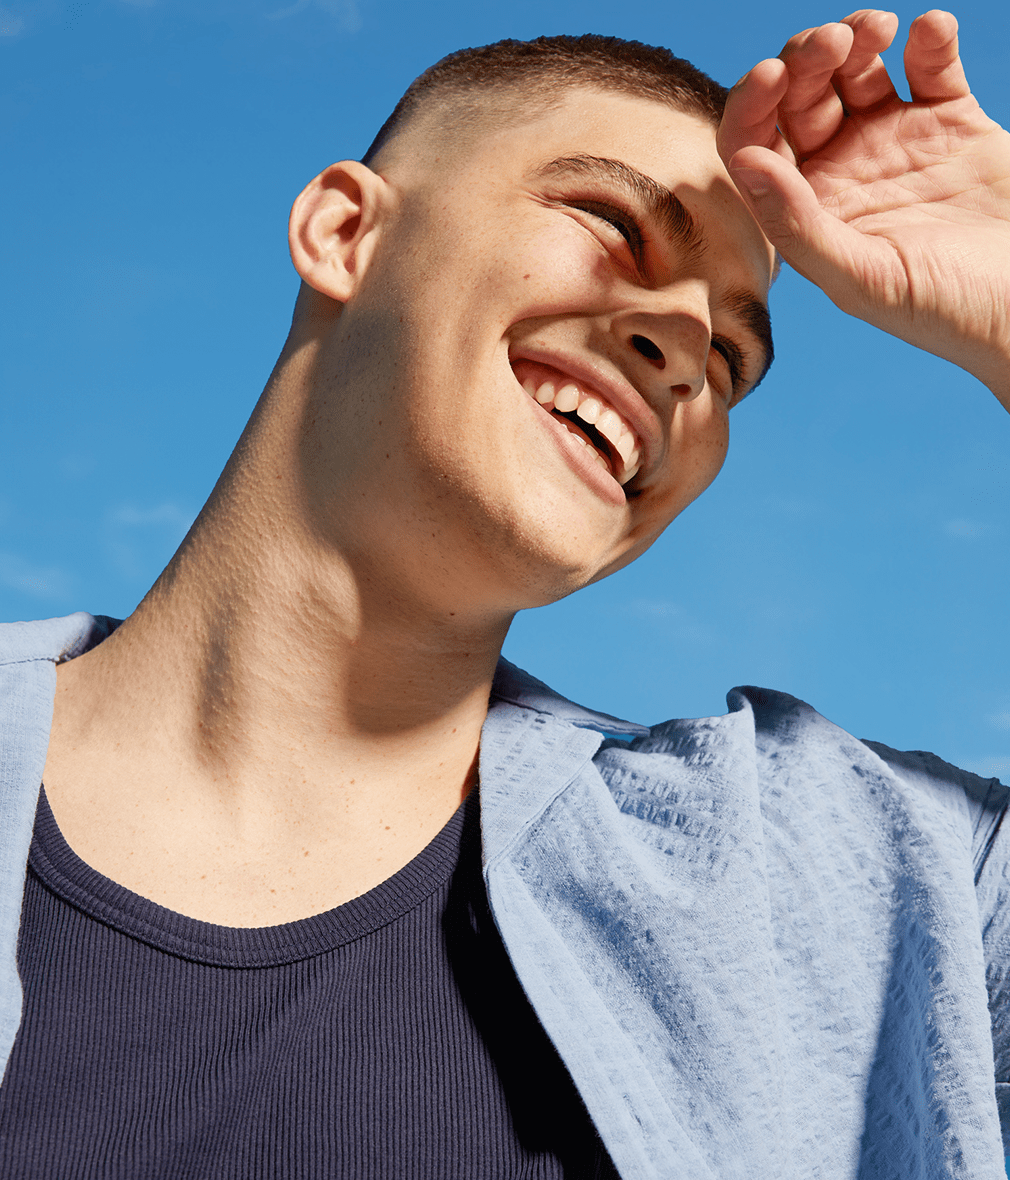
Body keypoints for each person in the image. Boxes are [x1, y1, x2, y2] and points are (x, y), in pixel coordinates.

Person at [1, 8, 1008, 1177]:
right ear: (343, 231)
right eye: (613, 223)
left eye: (731, 362)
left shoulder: (826, 884)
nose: (684, 344)